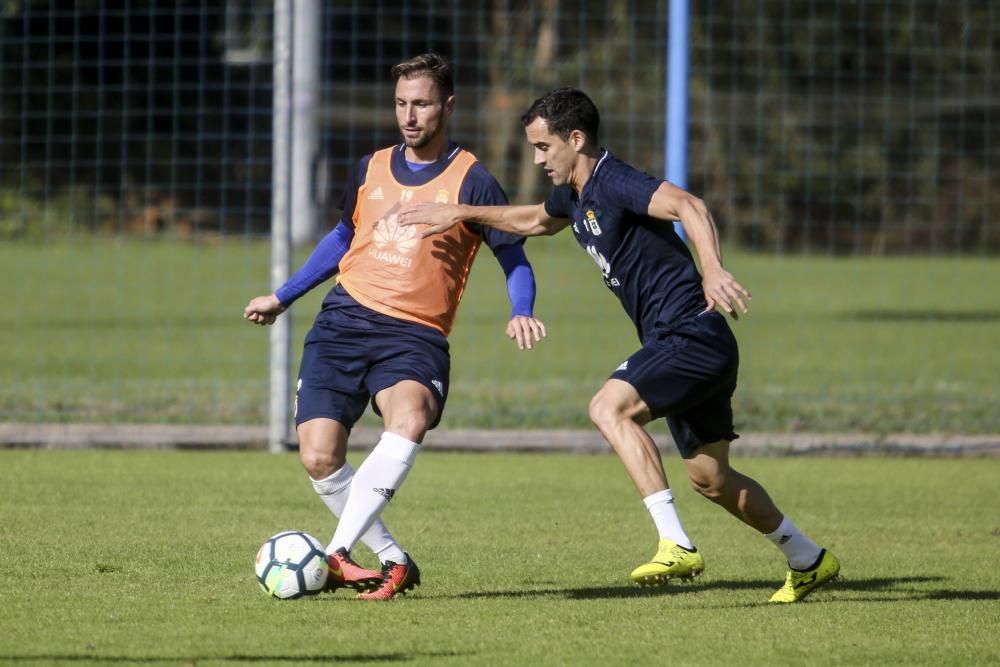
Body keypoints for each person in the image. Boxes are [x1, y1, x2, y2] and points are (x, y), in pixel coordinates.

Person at [399, 87, 839, 603]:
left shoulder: (614, 180)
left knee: (608, 407)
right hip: (683, 343)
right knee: (710, 478)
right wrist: (459, 213)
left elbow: (688, 205)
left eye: (544, 147)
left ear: (576, 139)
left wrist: (713, 268)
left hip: (691, 334)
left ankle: (674, 541)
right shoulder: (572, 195)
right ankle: (808, 558)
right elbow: (533, 221)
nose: (538, 159)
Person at [243, 53, 547, 602]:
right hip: (343, 319)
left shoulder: (472, 181)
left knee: (407, 418)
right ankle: (392, 560)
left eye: (422, 103)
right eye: (402, 103)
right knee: (318, 456)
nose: (409, 116)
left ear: (447, 106)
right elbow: (342, 239)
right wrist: (283, 296)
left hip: (414, 334)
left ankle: (334, 553)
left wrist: (520, 308)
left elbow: (514, 258)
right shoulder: (370, 166)